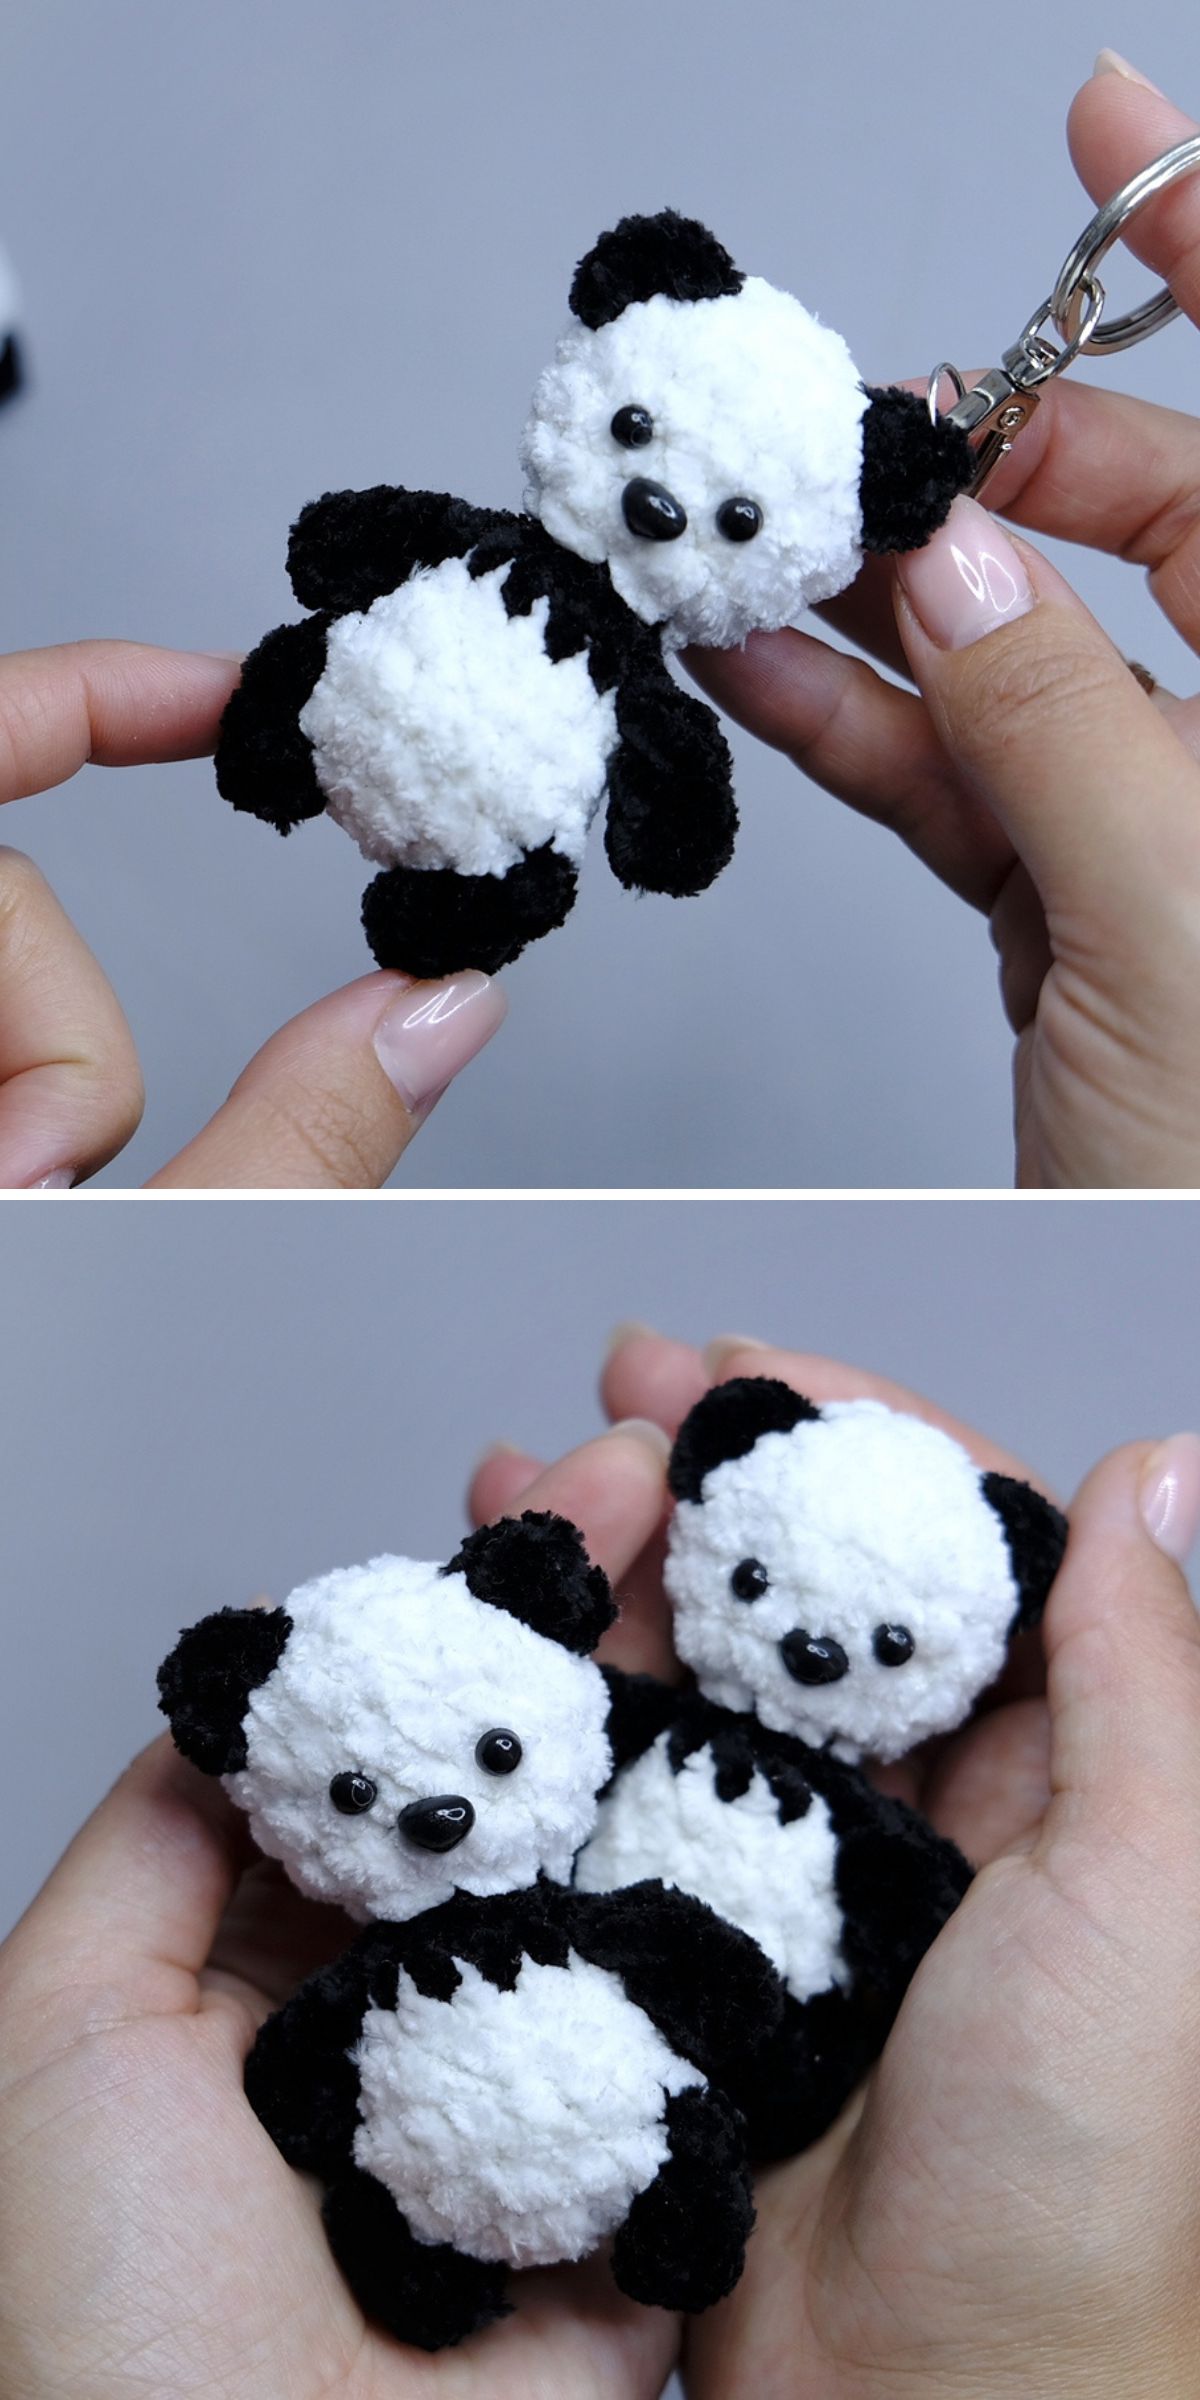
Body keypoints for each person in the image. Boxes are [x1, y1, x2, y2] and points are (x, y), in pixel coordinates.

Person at [2, 57, 1199, 1189]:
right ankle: (278, 743)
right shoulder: (494, 536)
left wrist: (669, 814)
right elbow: (361, 540)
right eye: (634, 432)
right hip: (362, 687)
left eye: (736, 516)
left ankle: (429, 877)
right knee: (282, 690)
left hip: (492, 813)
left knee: (466, 871)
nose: (660, 503)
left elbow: (670, 797)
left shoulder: (660, 635)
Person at [2, 1321, 1198, 2398]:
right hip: (552, 2054)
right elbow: (311, 2064)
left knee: (694, 2120)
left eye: (890, 1641)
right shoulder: (600, 1747)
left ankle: (673, 2200)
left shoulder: (709, 1804)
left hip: (746, 2073)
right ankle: (451, 2253)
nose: (820, 1653)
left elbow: (878, 1915)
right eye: (356, 1791)